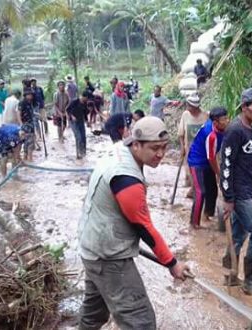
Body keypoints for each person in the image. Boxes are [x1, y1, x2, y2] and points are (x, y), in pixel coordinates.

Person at [77, 116, 191, 330]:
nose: (160, 154)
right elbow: (144, 226)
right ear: (136, 144)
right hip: (109, 257)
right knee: (141, 322)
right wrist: (172, 264)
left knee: (93, 315)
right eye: (154, 148)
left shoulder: (120, 148)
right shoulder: (126, 179)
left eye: (164, 148)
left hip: (92, 246)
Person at [220, 88, 252, 296]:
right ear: (244, 107)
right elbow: (226, 166)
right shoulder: (234, 131)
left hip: (247, 190)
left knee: (238, 235)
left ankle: (229, 271)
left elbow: (248, 164)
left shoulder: (249, 128)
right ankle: (249, 280)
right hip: (237, 194)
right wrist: (228, 198)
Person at [186, 107, 229, 229]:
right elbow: (212, 158)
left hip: (207, 160)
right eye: (224, 119)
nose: (227, 121)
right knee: (200, 192)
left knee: (212, 189)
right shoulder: (211, 135)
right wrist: (219, 173)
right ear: (216, 122)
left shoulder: (221, 127)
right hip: (197, 161)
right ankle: (194, 223)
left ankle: (207, 214)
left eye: (227, 118)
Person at [178, 94, 208, 197]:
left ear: (196, 107)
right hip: (189, 150)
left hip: (203, 150)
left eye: (190, 106)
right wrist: (182, 148)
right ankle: (194, 190)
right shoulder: (185, 115)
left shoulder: (205, 116)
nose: (188, 108)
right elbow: (181, 134)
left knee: (202, 171)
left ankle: (195, 190)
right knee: (190, 170)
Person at [67, 91, 90, 159]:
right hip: (73, 122)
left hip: (81, 121)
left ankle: (84, 153)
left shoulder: (85, 103)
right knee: (78, 137)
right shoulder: (75, 101)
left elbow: (85, 114)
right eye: (85, 98)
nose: (86, 100)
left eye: (87, 99)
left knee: (83, 137)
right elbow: (68, 110)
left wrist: (87, 121)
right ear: (82, 97)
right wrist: (72, 116)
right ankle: (78, 154)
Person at [18, 89, 36, 161]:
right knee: (29, 142)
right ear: (25, 95)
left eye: (31, 95)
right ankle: (29, 159)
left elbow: (31, 112)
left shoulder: (30, 102)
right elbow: (18, 113)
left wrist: (37, 115)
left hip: (31, 124)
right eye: (29, 95)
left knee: (28, 142)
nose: (31, 96)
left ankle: (26, 158)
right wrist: (21, 124)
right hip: (25, 124)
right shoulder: (22, 103)